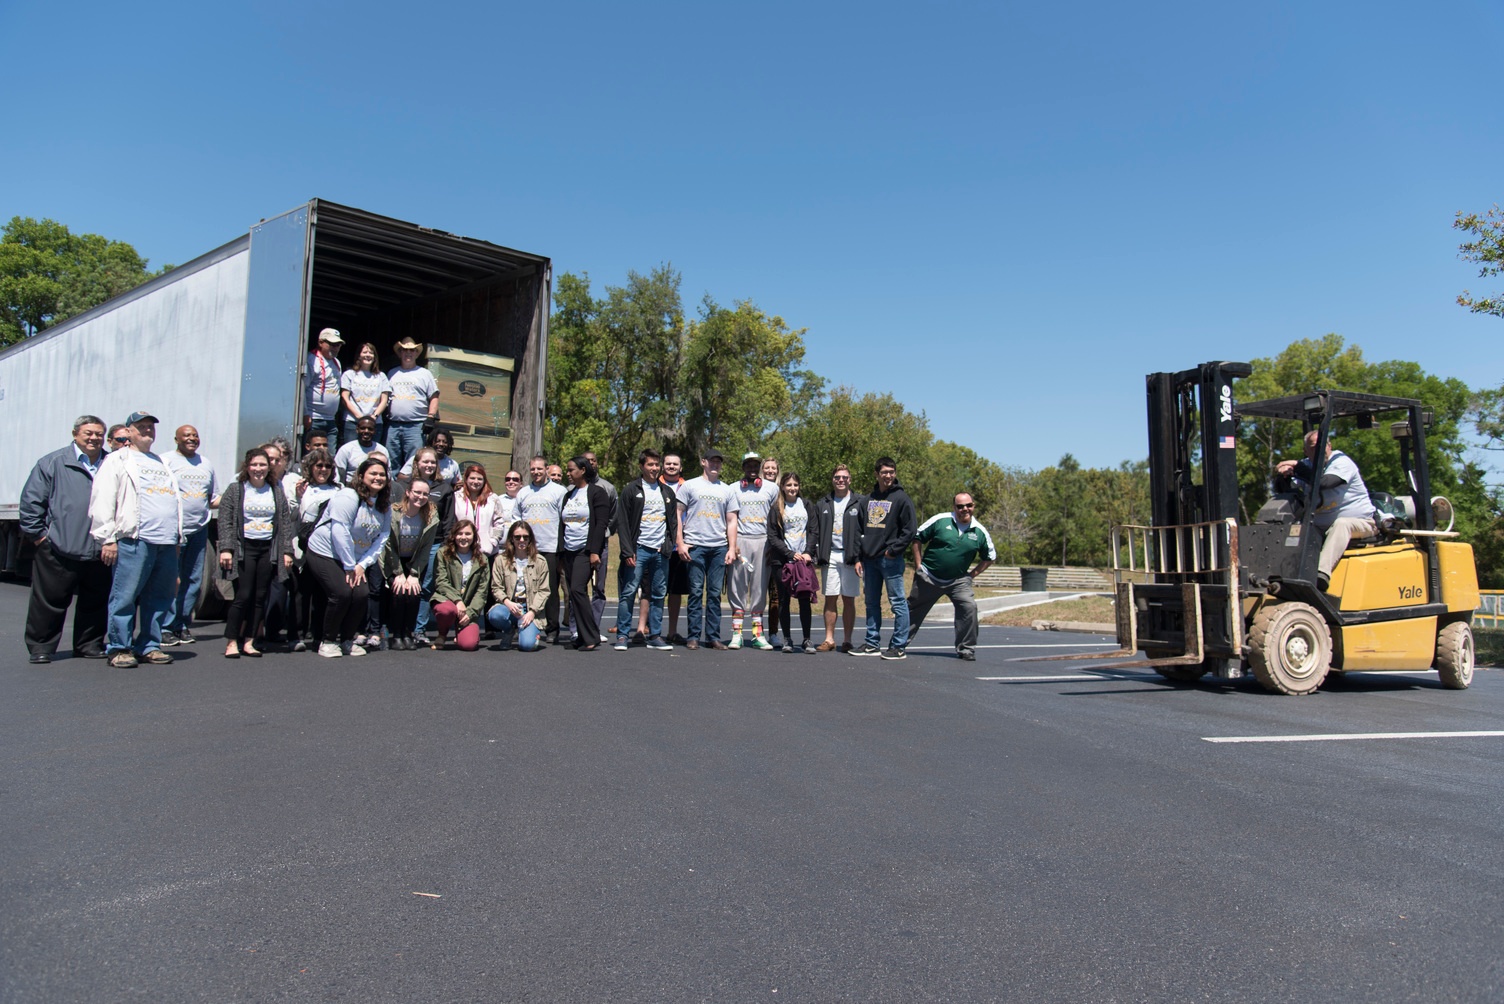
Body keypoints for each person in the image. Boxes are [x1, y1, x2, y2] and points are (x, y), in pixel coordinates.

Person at [89, 410, 184, 668]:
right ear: (128, 431)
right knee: (125, 596)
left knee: (160, 596)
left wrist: (177, 538)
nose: (147, 431)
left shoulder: (160, 462)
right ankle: (119, 647)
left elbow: (173, 500)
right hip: (134, 539)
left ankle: (149, 645)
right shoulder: (118, 460)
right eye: (141, 427)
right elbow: (102, 500)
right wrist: (107, 539)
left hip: (165, 542)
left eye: (150, 427)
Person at [21, 415, 110, 663]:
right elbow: (31, 502)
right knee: (49, 602)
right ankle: (41, 647)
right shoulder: (53, 462)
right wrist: (40, 537)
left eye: (98, 434)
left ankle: (89, 644)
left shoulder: (111, 463)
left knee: (95, 600)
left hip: (100, 549)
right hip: (59, 547)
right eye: (88, 433)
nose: (94, 438)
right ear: (75, 434)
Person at [304, 456, 392, 657]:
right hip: (324, 552)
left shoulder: (383, 504)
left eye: (382, 475)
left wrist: (363, 564)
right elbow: (340, 531)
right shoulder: (349, 496)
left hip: (354, 560)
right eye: (373, 473)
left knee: (361, 594)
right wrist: (350, 565)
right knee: (342, 592)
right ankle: (327, 641)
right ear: (361, 476)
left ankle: (347, 640)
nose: (378, 478)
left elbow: (382, 537)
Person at [216, 447, 295, 658]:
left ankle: (250, 641)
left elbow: (285, 523)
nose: (258, 469)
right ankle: (232, 641)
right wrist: (226, 549)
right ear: (247, 466)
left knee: (260, 596)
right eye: (254, 464)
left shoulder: (275, 490)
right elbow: (225, 520)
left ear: (269, 467)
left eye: (262, 464)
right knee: (243, 595)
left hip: (267, 549)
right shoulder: (236, 489)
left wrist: (286, 551)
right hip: (244, 549)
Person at [1275, 430, 1377, 590]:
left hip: (1361, 524)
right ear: (1306, 450)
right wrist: (1284, 477)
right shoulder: (1307, 466)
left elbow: (1325, 482)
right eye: (1315, 447)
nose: (1320, 450)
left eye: (1323, 445)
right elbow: (1289, 491)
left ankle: (1320, 575)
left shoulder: (1341, 461)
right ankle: (1282, 573)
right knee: (1296, 529)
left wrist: (1297, 466)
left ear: (1329, 446)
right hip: (1321, 527)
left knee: (1341, 524)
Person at [908, 493, 997, 662]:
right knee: (913, 609)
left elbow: (990, 557)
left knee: (969, 607)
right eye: (960, 506)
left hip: (958, 581)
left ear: (974, 506)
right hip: (929, 577)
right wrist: (918, 565)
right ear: (954, 507)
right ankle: (899, 643)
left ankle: (966, 648)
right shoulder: (940, 520)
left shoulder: (980, 531)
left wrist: (971, 575)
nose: (965, 509)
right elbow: (917, 538)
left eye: (968, 505)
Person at [853, 456, 917, 660]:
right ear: (876, 474)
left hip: (890, 560)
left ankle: (898, 646)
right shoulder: (868, 499)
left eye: (891, 472)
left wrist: (894, 550)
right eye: (884, 472)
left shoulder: (901, 498)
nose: (888, 476)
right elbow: (859, 529)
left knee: (897, 602)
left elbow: (910, 530)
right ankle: (872, 643)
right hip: (870, 560)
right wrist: (859, 557)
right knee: (871, 603)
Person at [675, 449, 740, 651]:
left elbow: (732, 521)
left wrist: (731, 548)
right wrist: (681, 543)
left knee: (714, 594)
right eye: (712, 461)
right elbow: (677, 515)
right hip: (695, 546)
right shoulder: (689, 486)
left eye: (718, 462)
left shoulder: (727, 490)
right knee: (694, 592)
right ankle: (693, 636)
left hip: (718, 548)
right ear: (703, 462)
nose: (715, 465)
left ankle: (713, 637)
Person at [614, 448, 678, 651]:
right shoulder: (631, 490)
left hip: (660, 552)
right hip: (638, 550)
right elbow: (622, 523)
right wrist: (627, 551)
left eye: (656, 464)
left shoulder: (666, 492)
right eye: (650, 464)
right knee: (629, 592)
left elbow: (673, 524)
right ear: (641, 466)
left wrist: (668, 546)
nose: (654, 468)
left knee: (659, 594)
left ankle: (656, 635)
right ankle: (623, 636)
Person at [162, 424, 219, 647]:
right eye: (187, 435)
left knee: (193, 580)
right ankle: (164, 627)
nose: (192, 438)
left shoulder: (206, 464)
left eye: (195, 435)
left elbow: (212, 498)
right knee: (171, 580)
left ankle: (181, 624)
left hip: (199, 529)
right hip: (173, 530)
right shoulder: (165, 461)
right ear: (176, 439)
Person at [558, 456, 611, 650]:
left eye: (571, 470)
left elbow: (600, 524)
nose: (568, 473)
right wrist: (561, 553)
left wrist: (594, 551)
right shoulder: (569, 495)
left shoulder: (597, 493)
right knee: (574, 595)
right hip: (569, 551)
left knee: (577, 590)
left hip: (585, 550)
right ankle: (581, 634)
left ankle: (591, 636)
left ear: (582, 470)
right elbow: (562, 524)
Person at [381, 476, 441, 650]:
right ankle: (396, 634)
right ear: (408, 492)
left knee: (414, 593)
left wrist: (414, 574)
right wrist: (398, 573)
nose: (420, 497)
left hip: (414, 561)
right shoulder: (393, 513)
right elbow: (388, 545)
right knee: (399, 593)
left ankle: (408, 633)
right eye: (417, 492)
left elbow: (425, 549)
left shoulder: (430, 516)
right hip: (392, 560)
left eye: (425, 494)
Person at [727, 451, 778, 650]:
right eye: (748, 465)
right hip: (741, 541)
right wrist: (732, 544)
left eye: (755, 465)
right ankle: (737, 634)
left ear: (759, 467)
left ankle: (758, 635)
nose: (752, 468)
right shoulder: (733, 489)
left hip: (763, 541)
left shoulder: (771, 488)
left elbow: (776, 518)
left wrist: (773, 544)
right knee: (737, 586)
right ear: (743, 467)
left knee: (759, 588)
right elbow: (730, 519)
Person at [294, 447, 342, 651]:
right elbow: (293, 515)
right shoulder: (302, 487)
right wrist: (297, 497)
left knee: (324, 592)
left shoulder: (339, 489)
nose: (323, 469)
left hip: (328, 545)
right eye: (319, 466)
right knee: (301, 592)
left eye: (328, 466)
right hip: (304, 541)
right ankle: (296, 634)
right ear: (310, 467)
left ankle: (319, 634)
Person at [767, 471, 821, 653]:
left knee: (805, 599)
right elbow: (773, 536)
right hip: (782, 561)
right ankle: (787, 639)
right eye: (789, 485)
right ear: (782, 486)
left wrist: (807, 552)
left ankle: (807, 639)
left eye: (795, 485)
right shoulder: (776, 508)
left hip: (803, 561)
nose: (792, 488)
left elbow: (814, 530)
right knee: (783, 600)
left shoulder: (806, 505)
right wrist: (789, 553)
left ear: (799, 487)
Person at [516, 454, 567, 644]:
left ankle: (552, 629)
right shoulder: (523, 493)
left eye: (540, 469)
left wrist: (562, 549)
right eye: (533, 469)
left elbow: (564, 520)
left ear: (547, 469)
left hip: (550, 547)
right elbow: (516, 519)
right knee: (526, 587)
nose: (536, 472)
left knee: (550, 590)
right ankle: (526, 623)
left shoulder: (558, 491)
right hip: (527, 548)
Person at [814, 463, 864, 652]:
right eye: (837, 477)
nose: (841, 480)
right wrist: (818, 555)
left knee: (849, 599)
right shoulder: (823, 503)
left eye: (844, 477)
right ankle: (829, 639)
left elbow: (864, 531)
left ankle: (847, 640)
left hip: (851, 557)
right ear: (833, 480)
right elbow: (816, 531)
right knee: (830, 598)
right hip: (830, 556)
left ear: (850, 480)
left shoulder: (860, 502)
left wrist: (860, 557)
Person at [487, 521, 549, 651]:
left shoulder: (540, 561)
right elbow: (496, 588)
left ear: (530, 539)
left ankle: (528, 632)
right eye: (517, 537)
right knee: (494, 615)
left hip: (529, 608)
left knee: (527, 646)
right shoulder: (501, 560)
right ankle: (509, 631)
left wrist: (532, 612)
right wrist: (507, 603)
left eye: (525, 537)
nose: (522, 540)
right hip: (510, 606)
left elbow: (544, 591)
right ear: (511, 539)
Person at [432, 519, 490, 650]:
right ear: (454, 535)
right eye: (460, 533)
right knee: (446, 610)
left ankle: (462, 632)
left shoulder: (482, 560)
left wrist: (470, 613)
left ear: (474, 536)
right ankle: (442, 634)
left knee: (468, 645)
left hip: (468, 607)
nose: (463, 537)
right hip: (447, 601)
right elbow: (441, 581)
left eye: (468, 534)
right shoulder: (443, 553)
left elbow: (482, 592)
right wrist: (457, 600)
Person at [385, 337, 439, 472]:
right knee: (391, 461)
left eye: (412, 350)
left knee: (414, 461)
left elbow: (434, 396)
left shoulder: (424, 373)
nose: (408, 353)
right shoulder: (392, 373)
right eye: (404, 350)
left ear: (416, 353)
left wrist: (430, 417)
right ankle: (392, 490)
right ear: (400, 353)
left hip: (416, 426)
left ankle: (412, 489)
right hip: (393, 424)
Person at [583, 449, 617, 642]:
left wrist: (603, 534)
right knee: (578, 588)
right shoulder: (573, 489)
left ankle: (594, 628)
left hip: (601, 544)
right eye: (587, 461)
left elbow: (613, 516)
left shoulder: (608, 488)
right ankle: (578, 628)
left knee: (599, 588)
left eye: (594, 460)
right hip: (579, 544)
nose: (591, 463)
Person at [339, 341, 391, 446]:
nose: (368, 355)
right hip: (352, 422)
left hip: (375, 422)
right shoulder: (349, 374)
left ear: (375, 357)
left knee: (372, 455)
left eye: (371, 353)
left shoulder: (381, 376)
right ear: (359, 355)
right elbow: (345, 398)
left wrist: (374, 417)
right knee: (352, 452)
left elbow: (384, 400)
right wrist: (360, 417)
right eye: (365, 352)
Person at [304, 327, 344, 454]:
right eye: (331, 344)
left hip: (330, 419)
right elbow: (303, 389)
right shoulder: (312, 360)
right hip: (314, 417)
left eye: (338, 345)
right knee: (313, 457)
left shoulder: (336, 362)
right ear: (321, 342)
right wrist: (305, 414)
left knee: (330, 457)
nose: (335, 348)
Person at [760, 456, 783, 646]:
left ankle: (774, 633)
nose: (770, 471)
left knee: (776, 595)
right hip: (757, 545)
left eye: (773, 468)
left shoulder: (782, 492)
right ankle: (756, 633)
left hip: (777, 549)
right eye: (766, 468)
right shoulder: (755, 489)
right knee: (758, 593)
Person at [335, 415, 389, 486]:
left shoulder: (382, 450)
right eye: (363, 428)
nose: (366, 431)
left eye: (370, 429)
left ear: (374, 431)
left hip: (376, 486)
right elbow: (339, 474)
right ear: (357, 430)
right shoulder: (346, 449)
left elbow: (388, 474)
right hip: (351, 486)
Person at [479, 469, 523, 556]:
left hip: (518, 549)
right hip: (498, 549)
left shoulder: (525, 500)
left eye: (515, 479)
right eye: (508, 479)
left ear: (521, 483)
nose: (511, 481)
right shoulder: (496, 500)